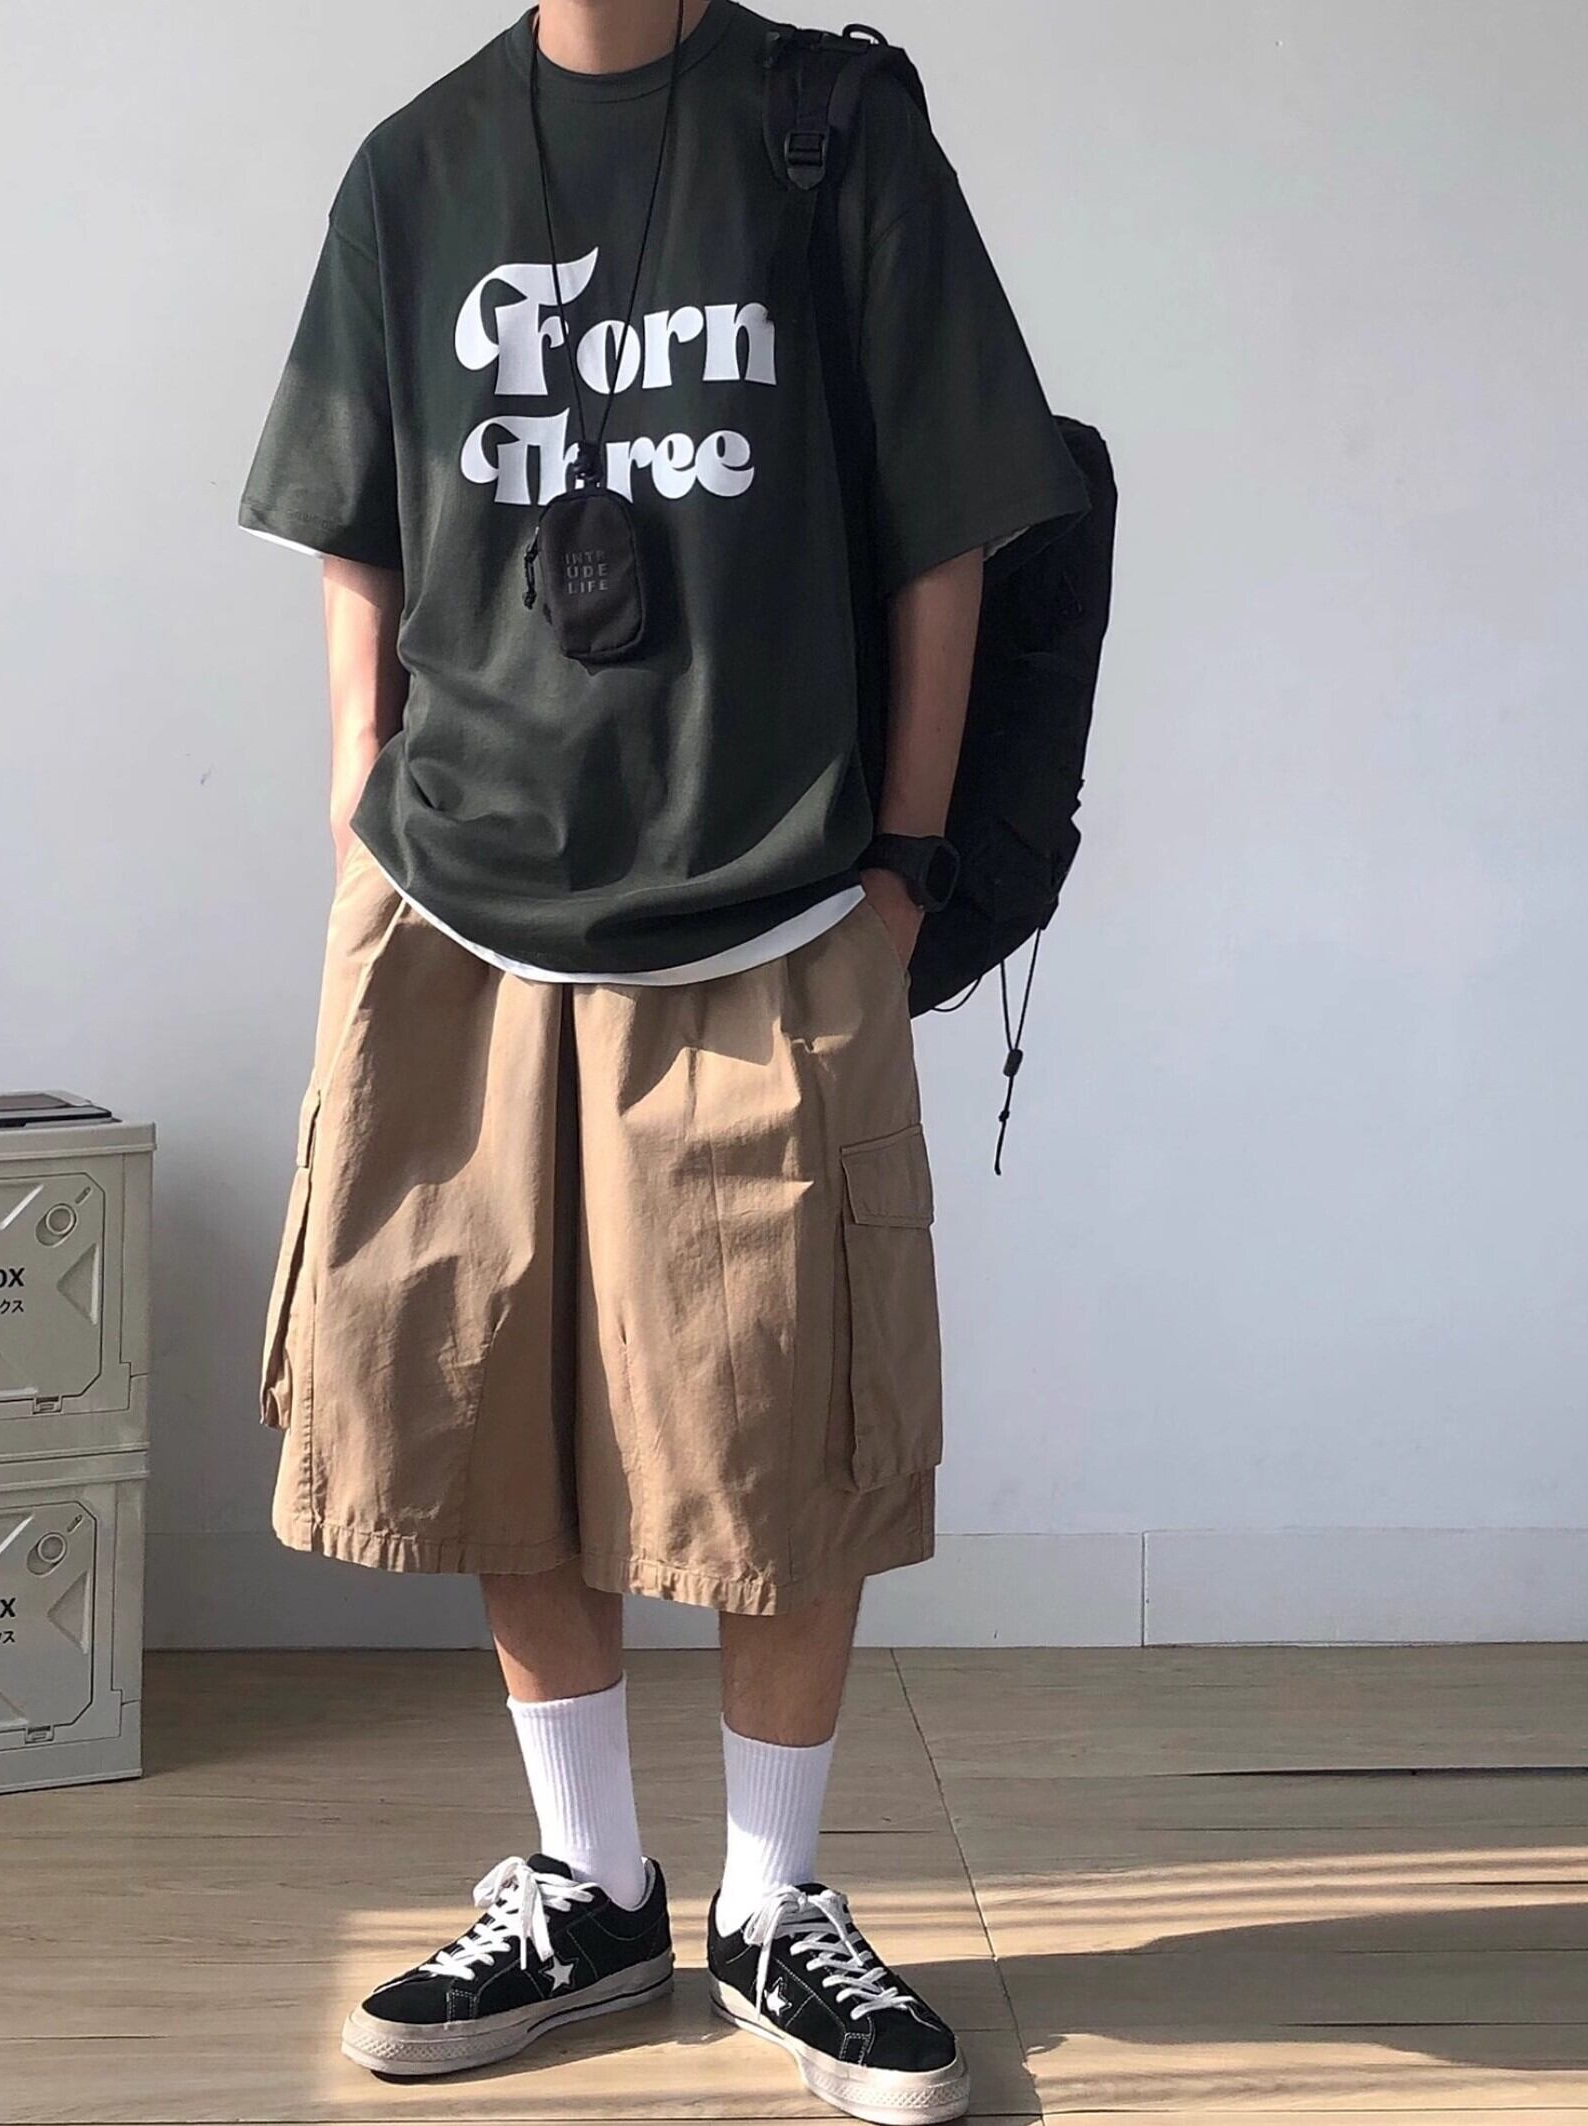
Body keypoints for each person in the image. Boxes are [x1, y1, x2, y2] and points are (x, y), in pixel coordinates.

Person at [242, 2, 1085, 2117]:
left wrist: (900, 865)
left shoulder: (827, 127)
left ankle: (774, 1899)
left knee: (783, 1415)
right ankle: (591, 1881)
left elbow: (953, 524)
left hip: (776, 893)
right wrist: (358, 786)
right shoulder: (417, 165)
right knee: (486, 1384)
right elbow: (356, 516)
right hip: (460, 906)